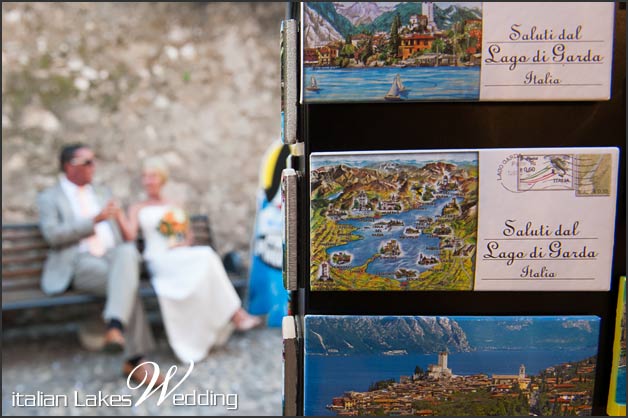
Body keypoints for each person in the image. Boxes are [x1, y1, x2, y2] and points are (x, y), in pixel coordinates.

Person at [37, 143, 163, 385]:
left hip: (113, 256)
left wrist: (118, 218)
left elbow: (124, 236)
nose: (93, 167)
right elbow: (52, 235)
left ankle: (116, 330)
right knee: (127, 286)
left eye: (94, 161)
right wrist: (95, 219)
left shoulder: (102, 192)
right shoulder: (49, 198)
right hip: (78, 262)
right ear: (69, 166)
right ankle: (136, 360)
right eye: (87, 162)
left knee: (127, 253)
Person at [116, 157, 262, 363]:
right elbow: (130, 236)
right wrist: (119, 217)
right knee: (206, 256)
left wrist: (181, 243)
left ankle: (235, 314)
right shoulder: (137, 208)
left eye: (152, 176)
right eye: (145, 177)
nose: (148, 181)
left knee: (205, 255)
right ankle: (236, 313)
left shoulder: (174, 205)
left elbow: (188, 237)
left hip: (177, 256)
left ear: (162, 179)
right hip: (157, 259)